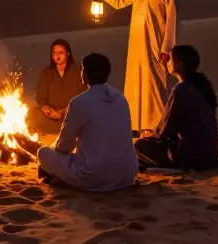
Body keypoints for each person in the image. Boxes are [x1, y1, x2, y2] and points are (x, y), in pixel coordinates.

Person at [88, 0, 178, 134]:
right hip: (137, 44)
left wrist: (167, 48)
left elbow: (172, 18)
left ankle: (159, 127)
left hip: (156, 44)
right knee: (136, 83)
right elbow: (119, 1)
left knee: (155, 86)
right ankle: (137, 126)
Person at [17, 53, 137, 192]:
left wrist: (52, 148)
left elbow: (63, 147)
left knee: (43, 152)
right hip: (127, 175)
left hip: (94, 177)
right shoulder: (121, 99)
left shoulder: (79, 102)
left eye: (82, 69)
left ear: (85, 73)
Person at [133, 44, 218, 171]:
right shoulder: (201, 87)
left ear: (178, 63)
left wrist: (150, 134)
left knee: (139, 146)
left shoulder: (181, 89)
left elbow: (165, 130)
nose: (167, 62)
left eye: (170, 59)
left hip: (191, 158)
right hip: (210, 157)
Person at [33, 39, 87, 134]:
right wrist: (46, 108)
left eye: (61, 52)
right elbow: (41, 98)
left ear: (68, 53)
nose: (57, 55)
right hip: (51, 116)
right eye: (55, 52)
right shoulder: (46, 73)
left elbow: (83, 98)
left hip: (71, 114)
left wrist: (63, 112)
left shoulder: (78, 72)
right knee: (34, 114)